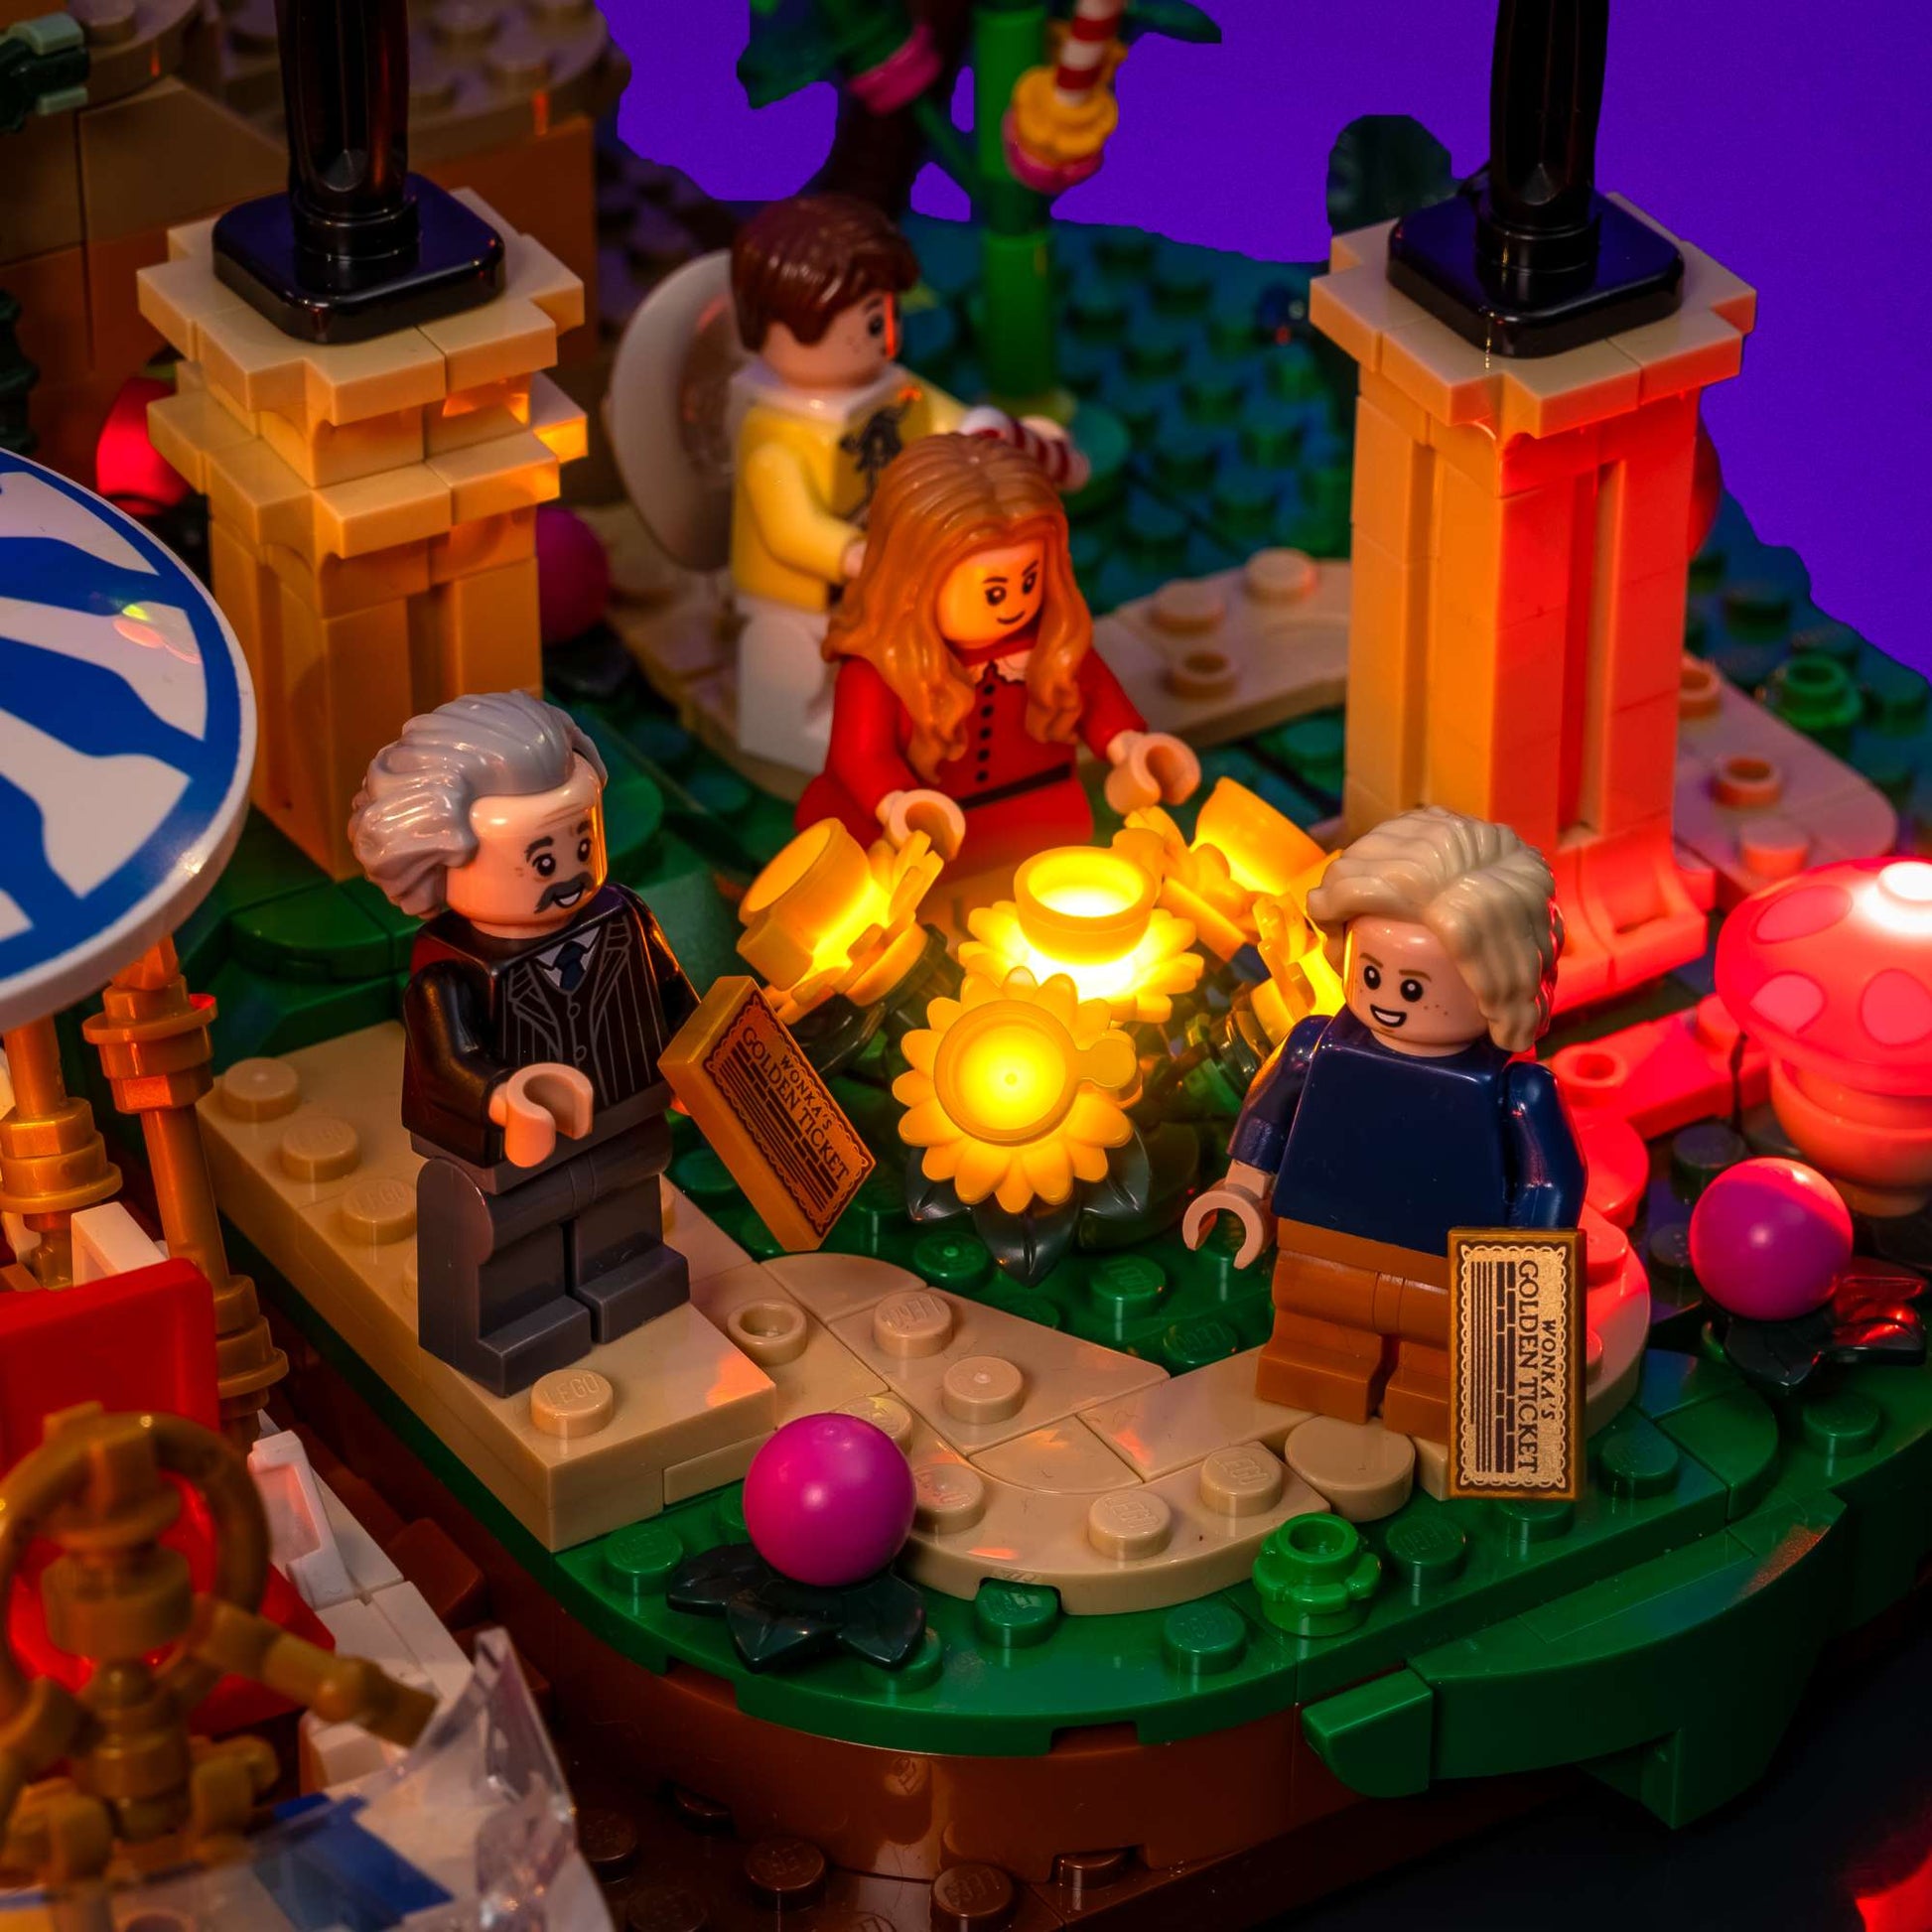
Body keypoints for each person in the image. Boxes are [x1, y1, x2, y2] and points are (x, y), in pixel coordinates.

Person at [1183, 805, 1585, 1445]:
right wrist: (1240, 1188)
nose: (1388, 1000)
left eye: (1414, 988)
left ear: (1497, 984)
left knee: (1442, 1358)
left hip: (1452, 1266)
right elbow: (1269, 1114)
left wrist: (1525, 1264)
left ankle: (1442, 1395)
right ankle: (1318, 1372)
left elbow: (1548, 1181)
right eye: (1372, 974)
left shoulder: (1516, 1089)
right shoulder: (1316, 1046)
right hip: (1322, 1242)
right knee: (1316, 1334)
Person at [348, 691, 698, 1396]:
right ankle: (510, 1319)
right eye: (542, 859)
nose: (570, 874)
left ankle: (625, 1274)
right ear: (446, 858)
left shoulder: (624, 919)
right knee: (506, 1227)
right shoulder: (452, 969)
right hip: (509, 1150)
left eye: (581, 844)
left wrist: (706, 1059)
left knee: (623, 1193)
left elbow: (670, 994)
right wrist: (505, 1095)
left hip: (625, 1113)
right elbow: (447, 1060)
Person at [795, 433, 1197, 883]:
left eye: (1028, 581)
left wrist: (1131, 748)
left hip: (1041, 820)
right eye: (993, 592)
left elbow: (1098, 699)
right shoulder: (881, 669)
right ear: (915, 577)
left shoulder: (1052, 645)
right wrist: (897, 802)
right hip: (927, 843)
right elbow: (861, 756)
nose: (1013, 605)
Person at [728, 194, 967, 770]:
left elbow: (934, 414)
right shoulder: (776, 429)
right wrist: (857, 555)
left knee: (879, 659)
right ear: (781, 326)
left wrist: (984, 433)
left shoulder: (889, 389)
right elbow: (790, 528)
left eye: (884, 314)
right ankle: (791, 731)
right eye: (867, 321)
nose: (883, 332)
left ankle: (876, 721)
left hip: (878, 579)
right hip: (800, 595)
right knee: (790, 658)